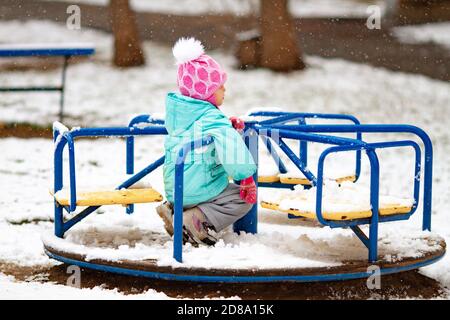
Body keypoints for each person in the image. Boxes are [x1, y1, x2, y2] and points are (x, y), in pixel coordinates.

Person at [156, 37, 257, 246]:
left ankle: (175, 210)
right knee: (242, 199)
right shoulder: (213, 119)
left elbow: (199, 130)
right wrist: (246, 177)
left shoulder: (179, 114)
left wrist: (225, 125)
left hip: (176, 187)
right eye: (220, 87)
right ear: (207, 93)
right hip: (199, 188)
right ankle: (195, 221)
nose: (225, 90)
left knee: (195, 185)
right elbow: (232, 147)